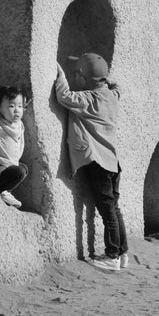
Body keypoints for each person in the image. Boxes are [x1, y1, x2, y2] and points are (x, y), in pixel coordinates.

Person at [53, 52, 128, 271]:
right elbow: (117, 86)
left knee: (107, 212)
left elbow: (64, 96)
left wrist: (59, 73)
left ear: (82, 77)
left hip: (98, 163)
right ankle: (122, 252)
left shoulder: (88, 100)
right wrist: (103, 77)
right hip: (112, 163)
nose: (74, 76)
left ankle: (112, 256)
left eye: (76, 73)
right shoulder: (112, 95)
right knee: (114, 208)